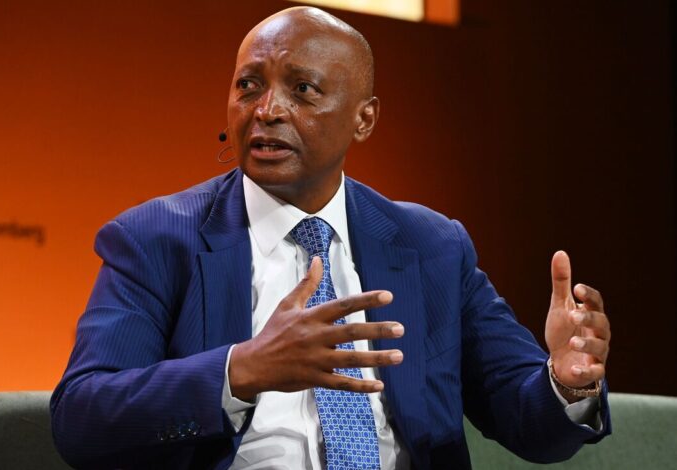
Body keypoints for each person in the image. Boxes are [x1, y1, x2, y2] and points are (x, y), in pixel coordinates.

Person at [50, 7, 611, 469]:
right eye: (248, 85)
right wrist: (240, 371)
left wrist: (567, 384)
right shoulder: (155, 238)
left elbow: (528, 422)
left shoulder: (433, 246)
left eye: (302, 90)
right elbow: (81, 419)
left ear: (363, 119)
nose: (267, 110)